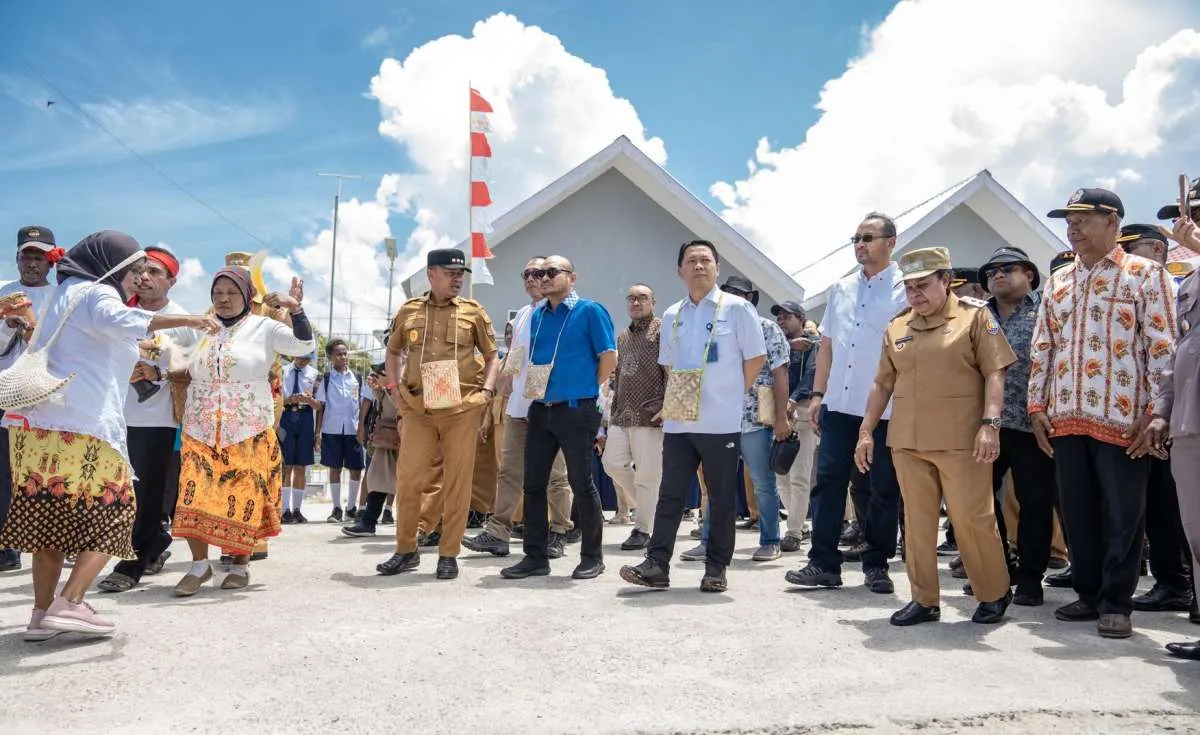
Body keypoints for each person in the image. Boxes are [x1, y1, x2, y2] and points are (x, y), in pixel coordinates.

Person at [0, 231, 219, 639]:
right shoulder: (99, 294)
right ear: (113, 266)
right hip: (84, 429)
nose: (138, 278)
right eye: (134, 270)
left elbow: (92, 343)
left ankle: (40, 615)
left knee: (50, 525)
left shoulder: (64, 294)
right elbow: (124, 320)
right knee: (119, 512)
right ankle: (71, 602)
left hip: (39, 429)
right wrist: (192, 319)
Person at [1030, 188, 1176, 639]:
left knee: (1122, 514)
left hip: (1125, 417)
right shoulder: (1058, 281)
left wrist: (1157, 409)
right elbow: (1042, 347)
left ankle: (1116, 602)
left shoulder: (1146, 274)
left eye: (1082, 220)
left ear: (1112, 221)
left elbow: (1163, 346)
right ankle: (1088, 593)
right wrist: (1036, 406)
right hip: (1065, 416)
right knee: (1077, 512)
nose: (1072, 229)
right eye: (1069, 222)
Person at [856, 247, 1016, 626]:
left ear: (946, 281)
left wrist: (990, 424)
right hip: (907, 441)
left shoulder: (975, 317)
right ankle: (924, 599)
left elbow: (995, 372)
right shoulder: (898, 326)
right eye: (909, 287)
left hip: (962, 440)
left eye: (923, 285)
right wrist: (865, 431)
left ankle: (993, 592)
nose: (915, 294)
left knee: (972, 519)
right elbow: (882, 383)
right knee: (917, 523)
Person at [620, 240, 766, 593]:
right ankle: (657, 565)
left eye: (705, 260)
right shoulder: (673, 314)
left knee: (720, 496)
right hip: (679, 421)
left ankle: (716, 568)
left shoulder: (737, 309)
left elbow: (756, 358)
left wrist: (731, 393)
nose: (699, 266)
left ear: (717, 267)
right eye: (691, 261)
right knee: (670, 494)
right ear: (680, 270)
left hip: (721, 422)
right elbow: (670, 366)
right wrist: (677, 403)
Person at [171, 267, 314, 596]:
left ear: (248, 296)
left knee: (243, 497)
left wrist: (296, 309)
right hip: (200, 426)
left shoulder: (264, 327)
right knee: (194, 494)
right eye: (217, 293)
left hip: (247, 428)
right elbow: (172, 356)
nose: (223, 299)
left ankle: (240, 565)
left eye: (232, 293)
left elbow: (303, 345)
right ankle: (199, 566)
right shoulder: (199, 327)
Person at [788, 212, 906, 594]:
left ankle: (877, 564)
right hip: (839, 403)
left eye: (868, 237)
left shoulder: (905, 289)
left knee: (880, 487)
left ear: (891, 242)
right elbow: (826, 346)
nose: (860, 244)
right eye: (855, 238)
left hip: (885, 407)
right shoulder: (840, 289)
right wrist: (818, 394)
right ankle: (823, 563)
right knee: (829, 482)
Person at [376, 248, 499, 581]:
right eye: (450, 273)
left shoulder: (473, 312)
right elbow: (393, 350)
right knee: (409, 479)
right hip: (419, 408)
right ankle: (406, 550)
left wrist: (486, 392)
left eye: (460, 274)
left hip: (461, 408)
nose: (457, 280)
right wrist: (395, 389)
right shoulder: (409, 310)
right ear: (431, 274)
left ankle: (448, 554)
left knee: (458, 482)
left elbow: (492, 356)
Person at [500, 255, 616, 581]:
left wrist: (585, 389)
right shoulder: (538, 316)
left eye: (552, 272)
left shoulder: (590, 310)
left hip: (576, 408)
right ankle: (535, 557)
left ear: (572, 278)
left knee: (581, 482)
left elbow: (609, 358)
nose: (544, 278)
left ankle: (592, 557)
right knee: (533, 484)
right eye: (539, 273)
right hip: (541, 407)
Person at [98, 245, 200, 593]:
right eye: (140, 271)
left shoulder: (183, 321)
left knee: (146, 492)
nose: (144, 277)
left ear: (171, 281)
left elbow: (197, 367)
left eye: (154, 272)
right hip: (113, 414)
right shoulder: (118, 311)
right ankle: (155, 541)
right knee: (118, 491)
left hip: (157, 419)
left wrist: (160, 373)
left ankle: (133, 562)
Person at [463, 257, 574, 560]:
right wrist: (500, 389)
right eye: (526, 274)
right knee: (509, 472)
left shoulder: (567, 312)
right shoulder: (523, 314)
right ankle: (498, 532)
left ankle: (559, 531)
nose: (532, 279)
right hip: (519, 407)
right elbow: (514, 358)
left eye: (539, 273)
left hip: (552, 405)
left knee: (556, 475)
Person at [679, 275, 790, 563]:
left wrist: (781, 417)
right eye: (726, 292)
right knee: (717, 483)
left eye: (737, 293)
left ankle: (770, 540)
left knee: (763, 481)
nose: (730, 298)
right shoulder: (714, 327)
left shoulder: (767, 327)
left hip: (755, 417)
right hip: (719, 416)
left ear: (750, 298)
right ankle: (708, 541)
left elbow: (780, 372)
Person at [1115, 224, 1195, 615]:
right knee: (1161, 505)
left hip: (1182, 410)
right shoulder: (1127, 287)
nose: (1126, 255)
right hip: (1152, 412)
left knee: (1180, 507)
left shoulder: (1179, 284)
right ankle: (1172, 583)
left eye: (1134, 247)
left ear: (1159, 250)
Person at [977, 246, 1058, 607]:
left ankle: (1030, 578)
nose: (998, 274)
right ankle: (999, 569)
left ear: (1029, 274)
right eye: (991, 271)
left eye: (1008, 268)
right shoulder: (978, 317)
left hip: (1033, 424)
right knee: (980, 500)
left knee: (1035, 503)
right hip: (986, 425)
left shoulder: (1048, 310)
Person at [1141, 213, 1200, 659]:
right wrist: (1162, 410)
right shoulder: (1190, 282)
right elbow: (1180, 350)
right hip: (1188, 422)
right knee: (1196, 535)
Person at [0, 225, 63, 572]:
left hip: (44, 396)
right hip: (6, 392)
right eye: (27, 256)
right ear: (17, 258)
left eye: (39, 257)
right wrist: (6, 327)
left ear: (51, 261)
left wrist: (29, 328)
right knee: (4, 472)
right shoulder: (3, 293)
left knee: (45, 472)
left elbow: (63, 347)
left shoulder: (60, 297)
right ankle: (7, 546)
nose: (32, 263)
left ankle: (52, 541)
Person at [601, 283, 667, 551]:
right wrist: (613, 409)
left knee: (647, 475)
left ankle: (643, 529)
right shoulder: (623, 336)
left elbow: (670, 369)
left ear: (653, 302)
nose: (636, 302)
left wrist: (667, 406)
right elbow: (618, 376)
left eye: (642, 298)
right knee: (611, 463)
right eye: (631, 298)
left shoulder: (663, 330)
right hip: (622, 413)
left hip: (651, 413)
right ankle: (652, 511)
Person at [772, 300, 820, 552]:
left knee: (800, 476)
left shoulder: (814, 344)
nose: (781, 320)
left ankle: (793, 532)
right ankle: (799, 525)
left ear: (801, 319)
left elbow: (812, 375)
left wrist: (792, 400)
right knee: (781, 475)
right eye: (779, 316)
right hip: (776, 414)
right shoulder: (775, 344)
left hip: (802, 411)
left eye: (787, 316)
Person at [343, 364, 401, 537]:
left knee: (412, 483)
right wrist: (378, 389)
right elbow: (384, 404)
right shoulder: (387, 386)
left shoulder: (405, 378)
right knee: (378, 477)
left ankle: (423, 527)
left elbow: (402, 405)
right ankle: (368, 522)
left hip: (406, 436)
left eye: (381, 374)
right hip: (387, 436)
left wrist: (389, 386)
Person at [316, 339, 365, 523]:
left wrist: (362, 428)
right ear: (330, 357)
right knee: (334, 468)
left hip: (353, 430)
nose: (343, 357)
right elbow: (321, 406)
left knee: (356, 469)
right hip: (332, 430)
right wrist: (318, 433)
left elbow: (363, 405)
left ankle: (351, 508)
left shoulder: (357, 377)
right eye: (339, 354)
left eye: (345, 353)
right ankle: (336, 508)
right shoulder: (327, 379)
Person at [280, 352, 318, 523]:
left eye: (308, 358)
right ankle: (284, 510)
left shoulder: (315, 374)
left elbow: (319, 405)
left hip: (305, 417)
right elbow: (275, 399)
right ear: (294, 354)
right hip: (286, 416)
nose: (304, 361)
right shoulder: (282, 371)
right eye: (302, 357)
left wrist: (308, 400)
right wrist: (287, 400)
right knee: (286, 466)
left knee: (301, 466)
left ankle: (297, 509)